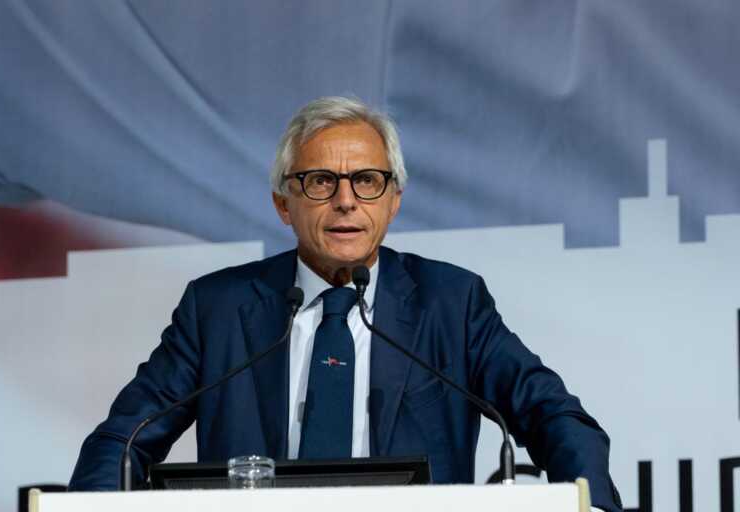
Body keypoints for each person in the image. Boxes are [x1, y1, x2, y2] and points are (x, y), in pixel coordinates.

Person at [69, 96, 622, 511]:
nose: (345, 201)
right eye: (319, 182)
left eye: (367, 181)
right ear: (283, 203)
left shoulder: (451, 304)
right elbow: (123, 439)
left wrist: (592, 506)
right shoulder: (217, 309)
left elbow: (553, 415)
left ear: (394, 200)